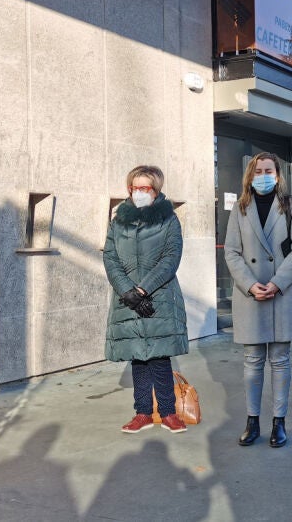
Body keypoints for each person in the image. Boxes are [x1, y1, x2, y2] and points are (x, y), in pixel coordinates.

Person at [224, 152, 292, 448]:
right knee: (252, 361)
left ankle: (279, 422)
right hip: (250, 294)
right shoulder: (240, 207)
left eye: (268, 171)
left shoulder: (291, 206)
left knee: (281, 361)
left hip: (282, 292)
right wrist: (250, 285)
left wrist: (276, 283)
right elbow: (232, 251)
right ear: (250, 175)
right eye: (258, 171)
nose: (263, 176)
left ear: (277, 175)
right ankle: (252, 421)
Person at [104, 165, 190, 434]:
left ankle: (168, 412)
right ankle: (142, 413)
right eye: (134, 187)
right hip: (127, 298)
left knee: (159, 357)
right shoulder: (118, 221)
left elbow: (171, 258)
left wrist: (142, 290)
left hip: (158, 297)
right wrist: (127, 291)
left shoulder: (168, 220)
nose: (138, 192)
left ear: (156, 189)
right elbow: (110, 257)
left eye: (144, 188)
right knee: (138, 359)